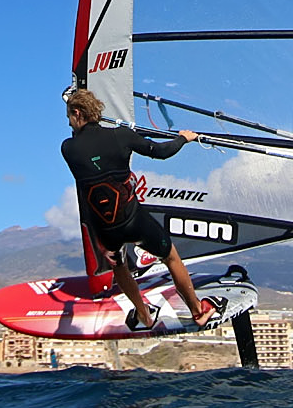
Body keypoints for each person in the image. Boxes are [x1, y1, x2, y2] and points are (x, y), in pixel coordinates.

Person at [61, 88, 218, 330]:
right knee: (170, 256)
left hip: (106, 230)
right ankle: (198, 311)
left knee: (118, 264)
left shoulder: (68, 149)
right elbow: (160, 152)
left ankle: (144, 315)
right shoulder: (122, 136)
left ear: (77, 113)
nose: (69, 122)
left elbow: (87, 152)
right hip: (133, 220)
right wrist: (182, 138)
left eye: (69, 117)